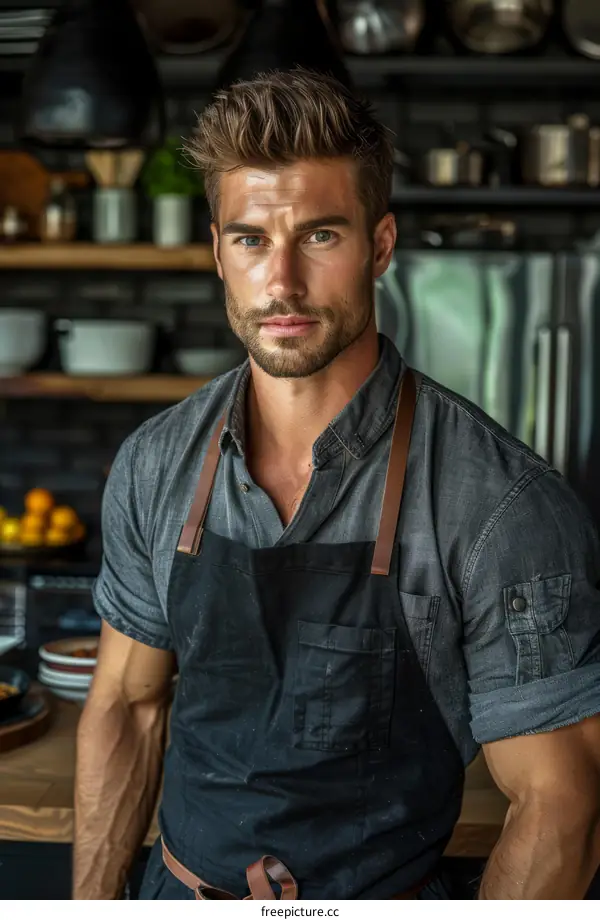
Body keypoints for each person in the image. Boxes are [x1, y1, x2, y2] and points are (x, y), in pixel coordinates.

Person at [73, 68, 600, 901]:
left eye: (319, 235)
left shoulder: (500, 503)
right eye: (251, 239)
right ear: (217, 251)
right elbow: (129, 708)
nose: (281, 282)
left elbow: (560, 802)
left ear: (380, 244)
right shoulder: (155, 463)